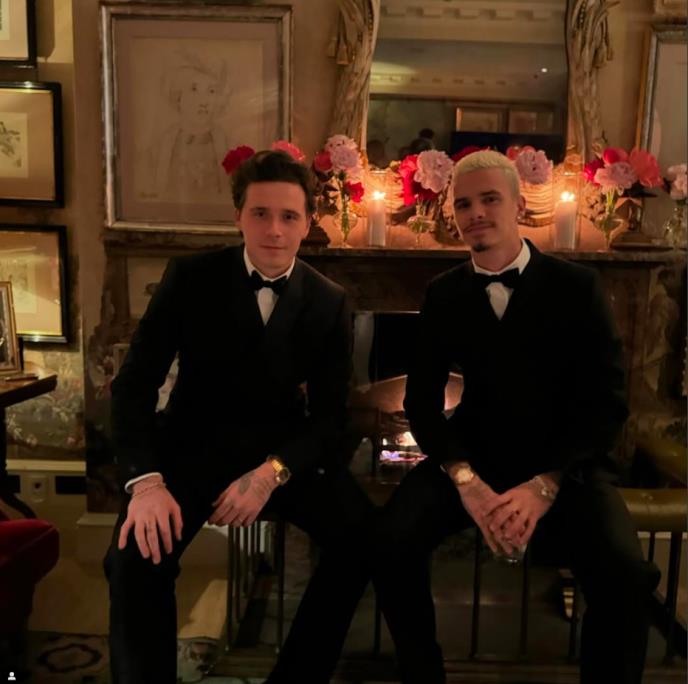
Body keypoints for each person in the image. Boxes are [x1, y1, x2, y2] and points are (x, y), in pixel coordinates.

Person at [373, 150, 660, 684]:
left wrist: (546, 484)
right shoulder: (444, 292)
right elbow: (420, 404)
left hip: (566, 464)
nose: (476, 213)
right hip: (474, 455)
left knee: (624, 571)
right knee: (391, 544)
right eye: (463, 204)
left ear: (519, 206)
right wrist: (464, 479)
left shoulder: (578, 286)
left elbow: (607, 401)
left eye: (489, 199)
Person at [105, 150, 375, 684]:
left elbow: (330, 418)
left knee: (362, 540)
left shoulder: (329, 300)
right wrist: (145, 482)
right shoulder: (190, 277)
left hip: (279, 458)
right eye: (260, 214)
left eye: (289, 216)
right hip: (189, 451)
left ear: (307, 223)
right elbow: (134, 385)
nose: (274, 230)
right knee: (133, 560)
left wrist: (271, 473)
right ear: (238, 217)